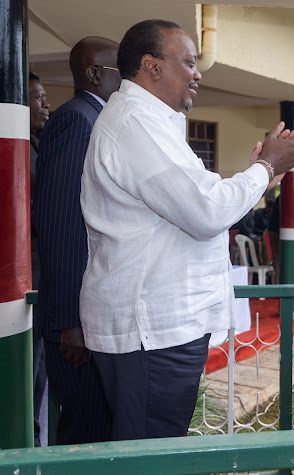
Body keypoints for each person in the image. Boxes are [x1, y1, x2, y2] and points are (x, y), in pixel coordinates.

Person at [79, 19, 294, 441]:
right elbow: (205, 210)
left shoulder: (149, 122)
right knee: (152, 459)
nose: (198, 73)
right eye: (187, 62)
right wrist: (266, 166)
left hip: (158, 328)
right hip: (151, 332)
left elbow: (197, 200)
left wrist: (261, 176)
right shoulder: (135, 124)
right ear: (150, 66)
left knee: (152, 449)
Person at [33, 37, 122, 445]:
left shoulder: (99, 120)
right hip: (76, 322)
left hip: (94, 314)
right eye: (122, 71)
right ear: (94, 74)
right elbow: (60, 223)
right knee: (84, 433)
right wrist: (70, 321)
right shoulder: (77, 120)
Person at [28, 72, 50, 447]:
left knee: (39, 374)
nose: (46, 103)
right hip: (26, 277)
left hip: (41, 274)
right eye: (38, 97)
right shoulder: (19, 153)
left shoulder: (37, 146)